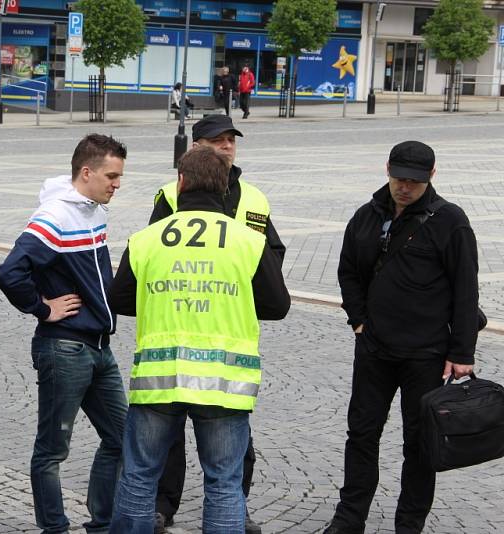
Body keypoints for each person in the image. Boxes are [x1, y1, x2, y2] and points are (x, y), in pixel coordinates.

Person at [108, 145, 290, 533]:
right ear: (225, 186)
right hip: (224, 382)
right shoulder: (248, 241)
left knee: (139, 477)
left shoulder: (145, 239)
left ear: (180, 183)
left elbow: (120, 299)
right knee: (224, 483)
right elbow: (277, 306)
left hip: (159, 378)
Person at [324, 141, 479, 534]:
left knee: (419, 444)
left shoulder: (450, 221)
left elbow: (466, 290)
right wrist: (358, 321)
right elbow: (348, 272)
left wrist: (461, 352)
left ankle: (409, 524)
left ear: (431, 176)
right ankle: (349, 519)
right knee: (361, 434)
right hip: (374, 348)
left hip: (426, 355)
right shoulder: (366, 216)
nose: (405, 187)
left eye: (415, 181)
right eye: (400, 179)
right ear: (387, 170)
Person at [0, 134, 129, 534]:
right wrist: (43, 308)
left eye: (119, 176)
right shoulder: (53, 216)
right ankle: (54, 528)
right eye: (111, 175)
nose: (117, 184)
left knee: (122, 439)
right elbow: (10, 273)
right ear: (85, 172)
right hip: (65, 348)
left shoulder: (93, 211)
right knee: (52, 450)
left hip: (98, 348)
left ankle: (102, 524)